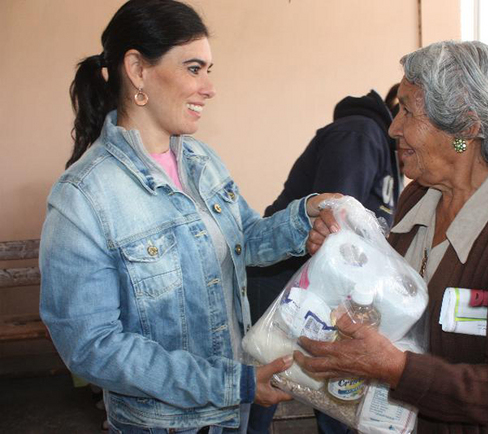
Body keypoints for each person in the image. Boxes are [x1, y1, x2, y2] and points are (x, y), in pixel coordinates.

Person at [38, 1, 335, 433]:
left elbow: (244, 239)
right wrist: (230, 382)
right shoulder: (82, 197)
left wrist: (303, 218)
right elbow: (92, 347)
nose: (209, 88)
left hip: (233, 415)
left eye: (209, 70)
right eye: (194, 68)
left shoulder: (201, 160)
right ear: (138, 70)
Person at [297, 40, 488, 433]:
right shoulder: (419, 196)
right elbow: (393, 304)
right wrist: (343, 258)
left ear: (466, 127)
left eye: (408, 111)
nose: (393, 127)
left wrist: (397, 370)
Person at [246, 87, 402, 434]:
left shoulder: (384, 147)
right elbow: (334, 222)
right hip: (287, 281)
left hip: (320, 286)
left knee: (333, 394)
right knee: (266, 388)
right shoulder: (360, 134)